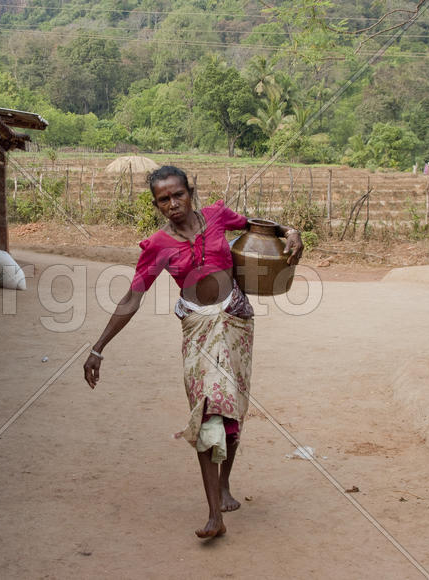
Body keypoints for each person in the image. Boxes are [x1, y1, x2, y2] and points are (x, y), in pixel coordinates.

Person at [83, 166, 303, 539]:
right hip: (197, 330)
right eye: (163, 199)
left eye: (177, 195)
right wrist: (98, 348)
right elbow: (132, 298)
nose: (172, 204)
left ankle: (224, 484)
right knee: (204, 412)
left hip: (235, 322)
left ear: (191, 191)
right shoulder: (157, 246)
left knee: (233, 408)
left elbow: (257, 225)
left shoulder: (217, 216)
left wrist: (291, 232)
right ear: (156, 204)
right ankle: (214, 514)